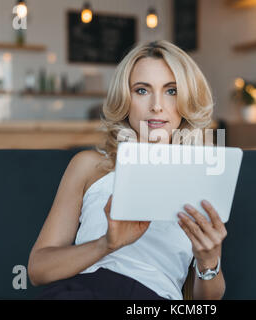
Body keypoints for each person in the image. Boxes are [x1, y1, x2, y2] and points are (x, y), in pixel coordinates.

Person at [28, 40, 227, 300]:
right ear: (125, 99)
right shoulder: (89, 165)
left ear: (187, 99)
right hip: (80, 292)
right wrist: (106, 244)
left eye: (171, 91)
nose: (157, 105)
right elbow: (37, 270)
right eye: (142, 90)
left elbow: (205, 302)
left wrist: (209, 260)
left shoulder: (201, 178)